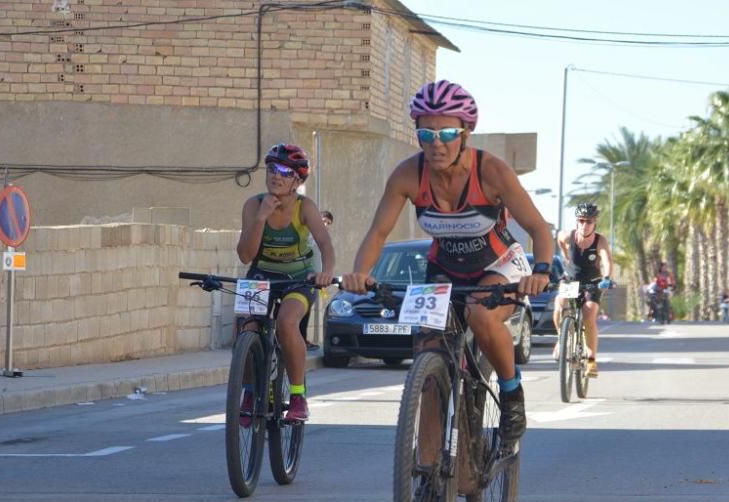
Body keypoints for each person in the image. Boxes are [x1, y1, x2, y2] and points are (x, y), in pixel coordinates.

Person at [341, 79, 554, 448]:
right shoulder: (409, 175)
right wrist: (361, 273)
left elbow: (537, 227)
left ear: (466, 133)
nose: (436, 143)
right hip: (445, 269)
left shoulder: (492, 171)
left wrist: (542, 271)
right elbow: (378, 232)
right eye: (426, 133)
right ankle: (425, 475)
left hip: (500, 263)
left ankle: (511, 392)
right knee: (429, 364)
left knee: (480, 313)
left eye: (447, 132)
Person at [237, 143, 335, 423]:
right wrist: (261, 218)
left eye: (284, 171)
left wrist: (326, 271)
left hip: (297, 279)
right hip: (260, 275)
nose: (276, 176)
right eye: (271, 169)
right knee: (246, 326)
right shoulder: (254, 205)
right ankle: (248, 390)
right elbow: (245, 255)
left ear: (298, 180)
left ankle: (297, 396)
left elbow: (325, 244)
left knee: (286, 323)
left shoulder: (306, 207)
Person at [551, 202, 614, 375]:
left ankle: (592, 360)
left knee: (589, 313)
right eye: (581, 221)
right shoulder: (568, 236)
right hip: (571, 279)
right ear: (576, 221)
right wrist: (565, 256)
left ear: (595, 223)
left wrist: (607, 278)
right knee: (559, 305)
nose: (584, 225)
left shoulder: (600, 241)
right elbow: (559, 241)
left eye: (589, 222)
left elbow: (607, 260)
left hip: (592, 282)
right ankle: (561, 339)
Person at [299, 210, 334, 351]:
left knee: (306, 310)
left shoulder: (323, 239)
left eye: (328, 223)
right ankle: (301, 340)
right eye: (323, 220)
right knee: (302, 309)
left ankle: (302, 339)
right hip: (303, 277)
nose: (325, 224)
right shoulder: (308, 235)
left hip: (315, 279)